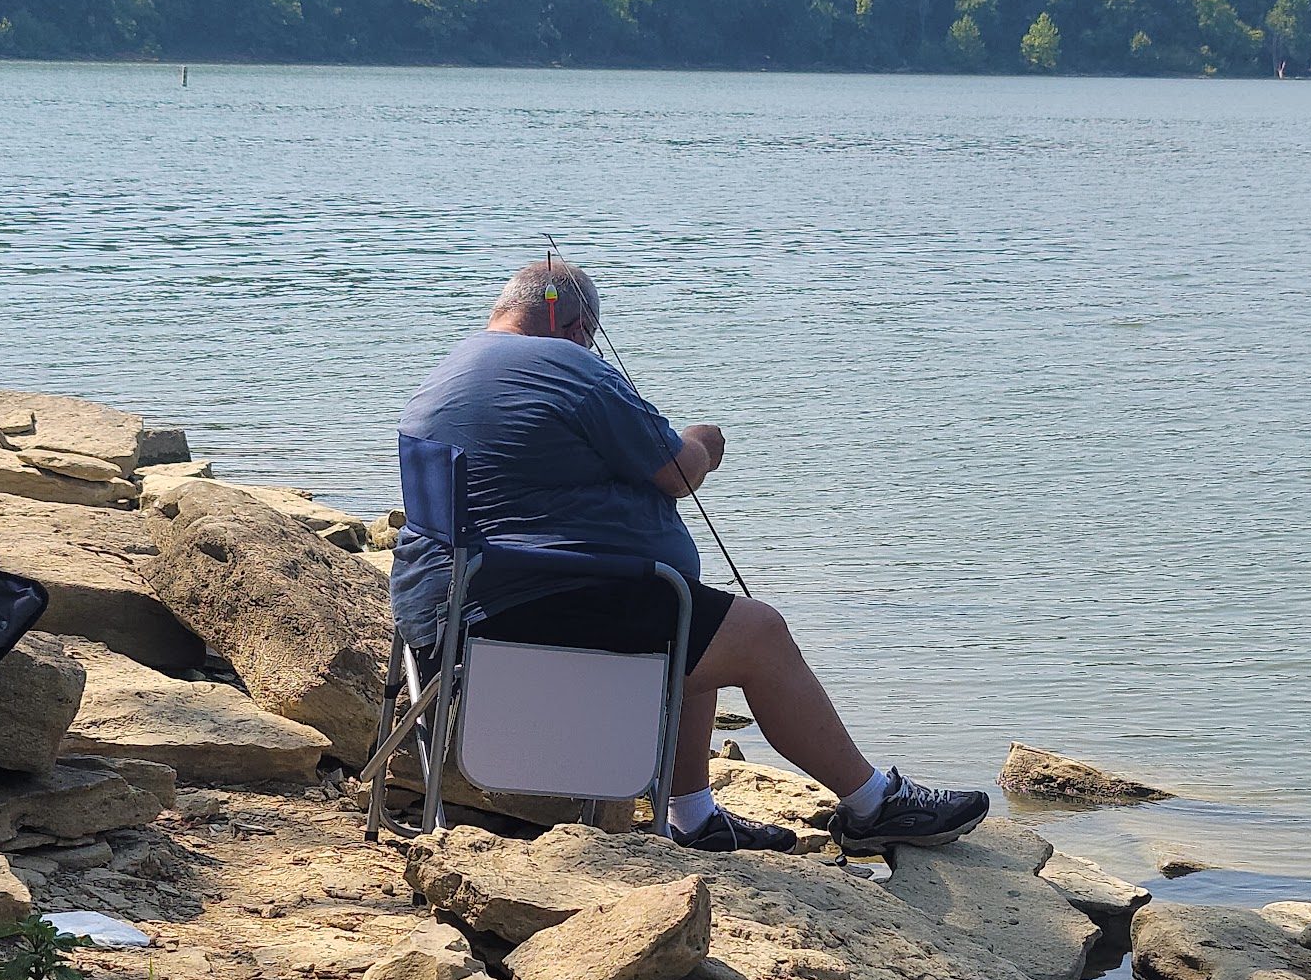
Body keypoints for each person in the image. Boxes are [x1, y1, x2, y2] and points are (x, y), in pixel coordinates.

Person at [390, 258, 989, 856]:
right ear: (574, 326)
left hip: (449, 620)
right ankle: (873, 804)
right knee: (758, 634)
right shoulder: (567, 365)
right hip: (523, 619)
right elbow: (677, 472)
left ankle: (694, 818)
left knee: (698, 615)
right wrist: (705, 440)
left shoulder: (453, 367)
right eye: (589, 336)